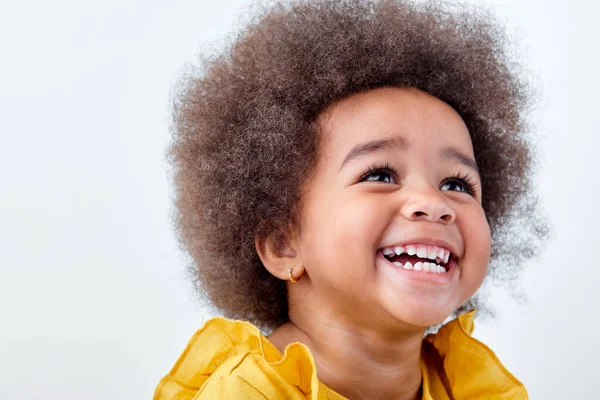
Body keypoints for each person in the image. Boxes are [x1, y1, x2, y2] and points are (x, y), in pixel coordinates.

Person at [154, 0, 547, 398]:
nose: (433, 202)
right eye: (380, 175)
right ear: (283, 245)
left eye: (458, 184)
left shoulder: (471, 388)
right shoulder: (246, 393)